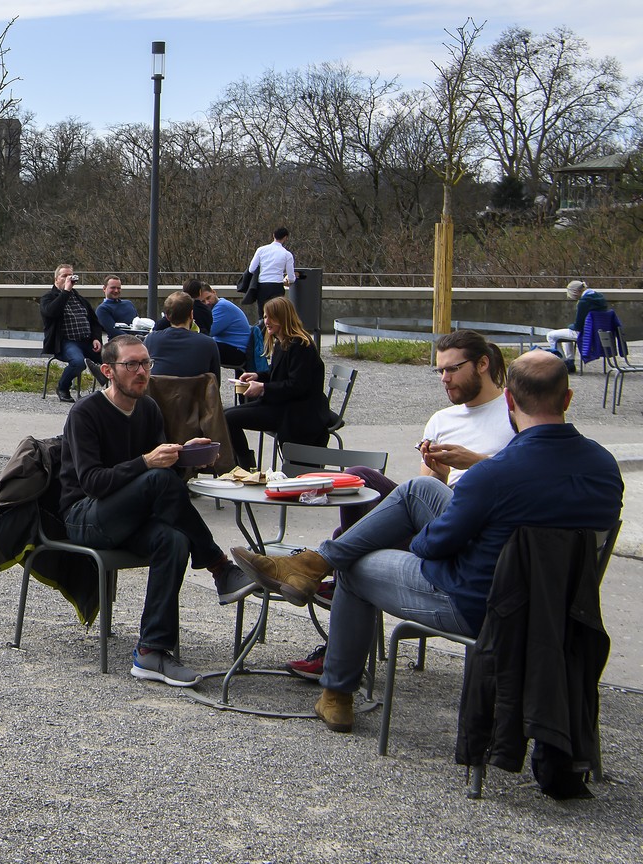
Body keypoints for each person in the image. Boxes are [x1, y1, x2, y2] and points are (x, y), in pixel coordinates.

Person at [230, 350, 623, 734]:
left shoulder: (496, 475)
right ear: (568, 398)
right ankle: (313, 564)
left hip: (482, 603)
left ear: (509, 400)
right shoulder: (605, 469)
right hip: (566, 603)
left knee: (357, 566)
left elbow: (431, 547)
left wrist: (424, 534)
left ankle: (336, 690)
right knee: (418, 489)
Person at [285, 329, 515, 680]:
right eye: (439, 371)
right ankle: (332, 564)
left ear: (482, 364)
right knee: (361, 475)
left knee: (361, 542)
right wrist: (438, 471)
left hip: (478, 531)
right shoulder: (441, 420)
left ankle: (323, 568)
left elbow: (521, 481)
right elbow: (429, 487)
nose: (445, 379)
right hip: (438, 521)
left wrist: (474, 461)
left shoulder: (512, 413)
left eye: (452, 370)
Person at [58, 335, 254, 686]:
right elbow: (93, 483)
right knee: (157, 481)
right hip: (85, 517)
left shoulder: (148, 409)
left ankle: (151, 651)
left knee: (174, 539)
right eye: (131, 365)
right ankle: (219, 566)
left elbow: (162, 482)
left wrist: (185, 455)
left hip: (129, 517)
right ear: (108, 371)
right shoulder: (85, 413)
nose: (142, 372)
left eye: (146, 363)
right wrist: (147, 462)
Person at [224, 296, 331, 470]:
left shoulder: (300, 345)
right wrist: (257, 377)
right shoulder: (284, 342)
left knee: (228, 418)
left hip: (295, 411)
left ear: (283, 318)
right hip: (282, 405)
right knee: (224, 416)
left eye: (271, 317)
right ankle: (246, 466)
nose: (266, 321)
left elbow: (297, 386)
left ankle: (246, 467)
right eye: (265, 317)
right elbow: (280, 375)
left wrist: (263, 388)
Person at [40, 263, 108, 402]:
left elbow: (94, 322)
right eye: (64, 275)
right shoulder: (48, 298)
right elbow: (51, 312)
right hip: (66, 342)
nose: (68, 278)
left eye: (70, 275)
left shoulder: (80, 299)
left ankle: (110, 390)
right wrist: (65, 292)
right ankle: (62, 388)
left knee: (113, 360)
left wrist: (96, 338)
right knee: (78, 362)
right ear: (56, 279)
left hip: (87, 341)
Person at [142, 291, 222, 378]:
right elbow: (215, 382)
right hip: (194, 391)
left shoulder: (151, 339)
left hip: (160, 391)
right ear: (191, 315)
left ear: (167, 317)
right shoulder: (208, 343)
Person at [546, 279, 608, 364]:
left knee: (551, 335)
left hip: (586, 334)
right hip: (599, 332)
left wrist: (571, 326)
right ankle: (569, 360)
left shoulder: (584, 302)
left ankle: (563, 363)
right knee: (566, 335)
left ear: (577, 291)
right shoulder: (600, 298)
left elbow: (578, 326)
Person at [198, 281, 251, 368]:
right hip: (231, 347)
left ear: (214, 292)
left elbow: (207, 332)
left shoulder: (222, 307)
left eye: (208, 298)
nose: (207, 302)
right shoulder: (218, 305)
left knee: (200, 347)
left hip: (238, 351)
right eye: (203, 301)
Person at [244, 227, 296, 309]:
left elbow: (251, 269)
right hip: (277, 286)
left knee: (263, 313)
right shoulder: (287, 254)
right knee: (276, 313)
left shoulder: (261, 250)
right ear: (285, 238)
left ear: (273, 235)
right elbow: (291, 278)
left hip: (262, 286)